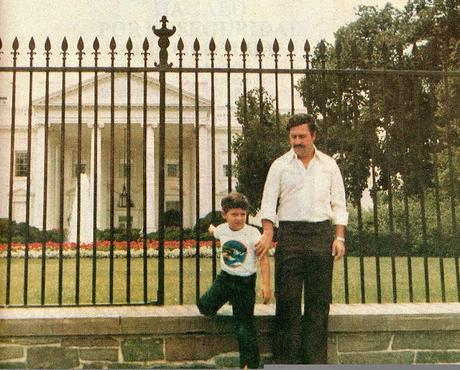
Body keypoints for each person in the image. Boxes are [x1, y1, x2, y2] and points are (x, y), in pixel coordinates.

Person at [256, 113, 348, 364]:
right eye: (293, 136)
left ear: (313, 135)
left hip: (321, 236)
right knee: (287, 302)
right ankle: (286, 363)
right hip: (291, 238)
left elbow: (339, 203)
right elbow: (268, 204)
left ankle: (315, 363)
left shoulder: (329, 165)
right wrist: (267, 233)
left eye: (301, 136)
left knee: (319, 304)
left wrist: (339, 237)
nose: (296, 141)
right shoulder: (280, 165)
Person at [197, 192, 271, 369]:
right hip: (225, 280)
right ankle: (219, 301)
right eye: (234, 214)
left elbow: (263, 259)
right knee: (204, 306)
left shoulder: (253, 233)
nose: (239, 218)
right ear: (224, 214)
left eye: (242, 214)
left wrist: (266, 286)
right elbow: (214, 231)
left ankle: (249, 364)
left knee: (244, 324)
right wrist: (211, 228)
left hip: (245, 285)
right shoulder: (222, 229)